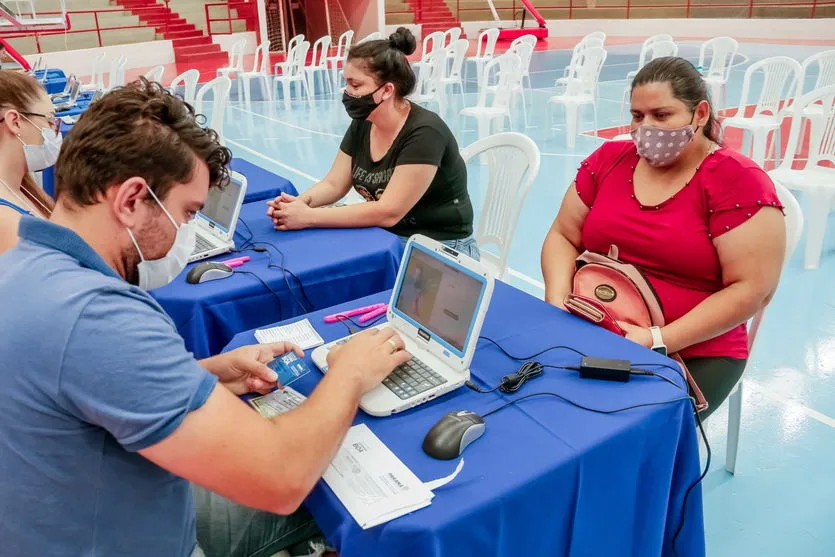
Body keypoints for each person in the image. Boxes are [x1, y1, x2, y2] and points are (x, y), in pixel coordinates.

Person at [0, 78, 411, 557]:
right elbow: (280, 478)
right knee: (349, 496)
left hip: (89, 513)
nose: (187, 232)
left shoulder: (26, 264)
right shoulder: (98, 315)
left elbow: (85, 385)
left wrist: (211, 373)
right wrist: (351, 372)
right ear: (132, 199)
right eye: (188, 212)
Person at [540, 57, 786, 419]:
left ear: (699, 114)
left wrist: (659, 339)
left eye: (661, 115)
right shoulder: (609, 159)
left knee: (617, 435)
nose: (646, 128)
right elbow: (563, 234)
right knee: (534, 399)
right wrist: (558, 299)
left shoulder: (738, 181)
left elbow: (752, 289)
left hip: (695, 349)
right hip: (597, 321)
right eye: (638, 116)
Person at [267, 27, 480, 260]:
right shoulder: (364, 122)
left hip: (440, 247)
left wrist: (308, 217)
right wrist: (299, 205)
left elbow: (388, 212)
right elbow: (334, 184)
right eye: (346, 83)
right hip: (387, 235)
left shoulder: (425, 132)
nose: (347, 92)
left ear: (387, 90)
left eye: (355, 85)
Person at [0, 70, 58, 253]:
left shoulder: (19, 188)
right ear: (15, 122)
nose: (54, 130)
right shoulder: (8, 224)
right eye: (49, 120)